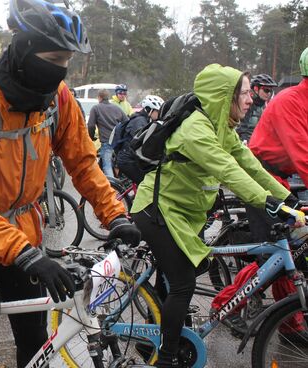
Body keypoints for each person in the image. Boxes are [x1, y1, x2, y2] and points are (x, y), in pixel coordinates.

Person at [0, 1, 140, 366]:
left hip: (23, 237)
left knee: (35, 345)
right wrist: (26, 254)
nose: (61, 71)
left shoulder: (58, 100)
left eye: (68, 61)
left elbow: (82, 163)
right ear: (25, 50)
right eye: (54, 58)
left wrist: (116, 216)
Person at [130, 64, 292, 367]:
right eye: (243, 93)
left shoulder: (222, 127)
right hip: (157, 209)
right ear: (223, 96)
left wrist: (285, 197)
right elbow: (227, 169)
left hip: (184, 213)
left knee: (181, 278)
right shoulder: (196, 129)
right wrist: (265, 201)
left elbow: (249, 164)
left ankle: (162, 336)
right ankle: (166, 359)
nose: (250, 99)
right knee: (183, 284)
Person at [244, 47, 308, 344]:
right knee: (277, 255)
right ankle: (229, 305)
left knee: (293, 252)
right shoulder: (290, 101)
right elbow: (302, 154)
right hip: (263, 176)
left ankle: (291, 318)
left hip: (282, 176)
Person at [116, 95, 164, 184]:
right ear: (149, 110)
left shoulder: (145, 120)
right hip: (127, 160)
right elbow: (143, 143)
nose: (159, 114)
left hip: (131, 158)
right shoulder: (139, 122)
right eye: (158, 111)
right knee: (146, 183)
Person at [87, 89, 128, 178]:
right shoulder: (116, 108)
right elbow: (127, 121)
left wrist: (91, 137)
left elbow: (90, 125)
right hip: (118, 142)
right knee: (119, 164)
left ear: (99, 97)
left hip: (107, 141)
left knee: (107, 166)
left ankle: (113, 187)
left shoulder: (96, 108)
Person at [236, 73, 277, 142]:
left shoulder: (267, 106)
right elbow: (241, 129)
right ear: (256, 89)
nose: (269, 93)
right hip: (246, 145)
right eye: (266, 90)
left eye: (270, 91)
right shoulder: (247, 105)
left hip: (260, 145)